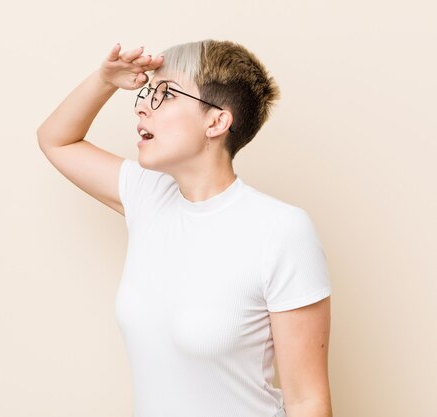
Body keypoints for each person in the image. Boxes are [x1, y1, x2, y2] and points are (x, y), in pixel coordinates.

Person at [37, 40, 332, 417]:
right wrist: (105, 79)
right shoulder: (148, 196)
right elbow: (55, 139)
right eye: (147, 93)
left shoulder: (281, 230)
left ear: (216, 121)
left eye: (165, 95)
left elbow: (308, 400)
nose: (143, 105)